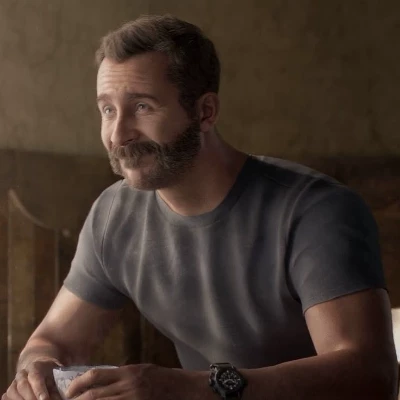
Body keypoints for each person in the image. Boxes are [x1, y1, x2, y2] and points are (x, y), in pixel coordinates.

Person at [2, 14, 398, 400]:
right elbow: (53, 342)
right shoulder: (113, 214)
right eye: (107, 109)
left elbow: (370, 377)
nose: (118, 135)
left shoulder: (316, 211)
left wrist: (191, 387)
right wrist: (37, 370)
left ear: (205, 112)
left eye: (142, 107)